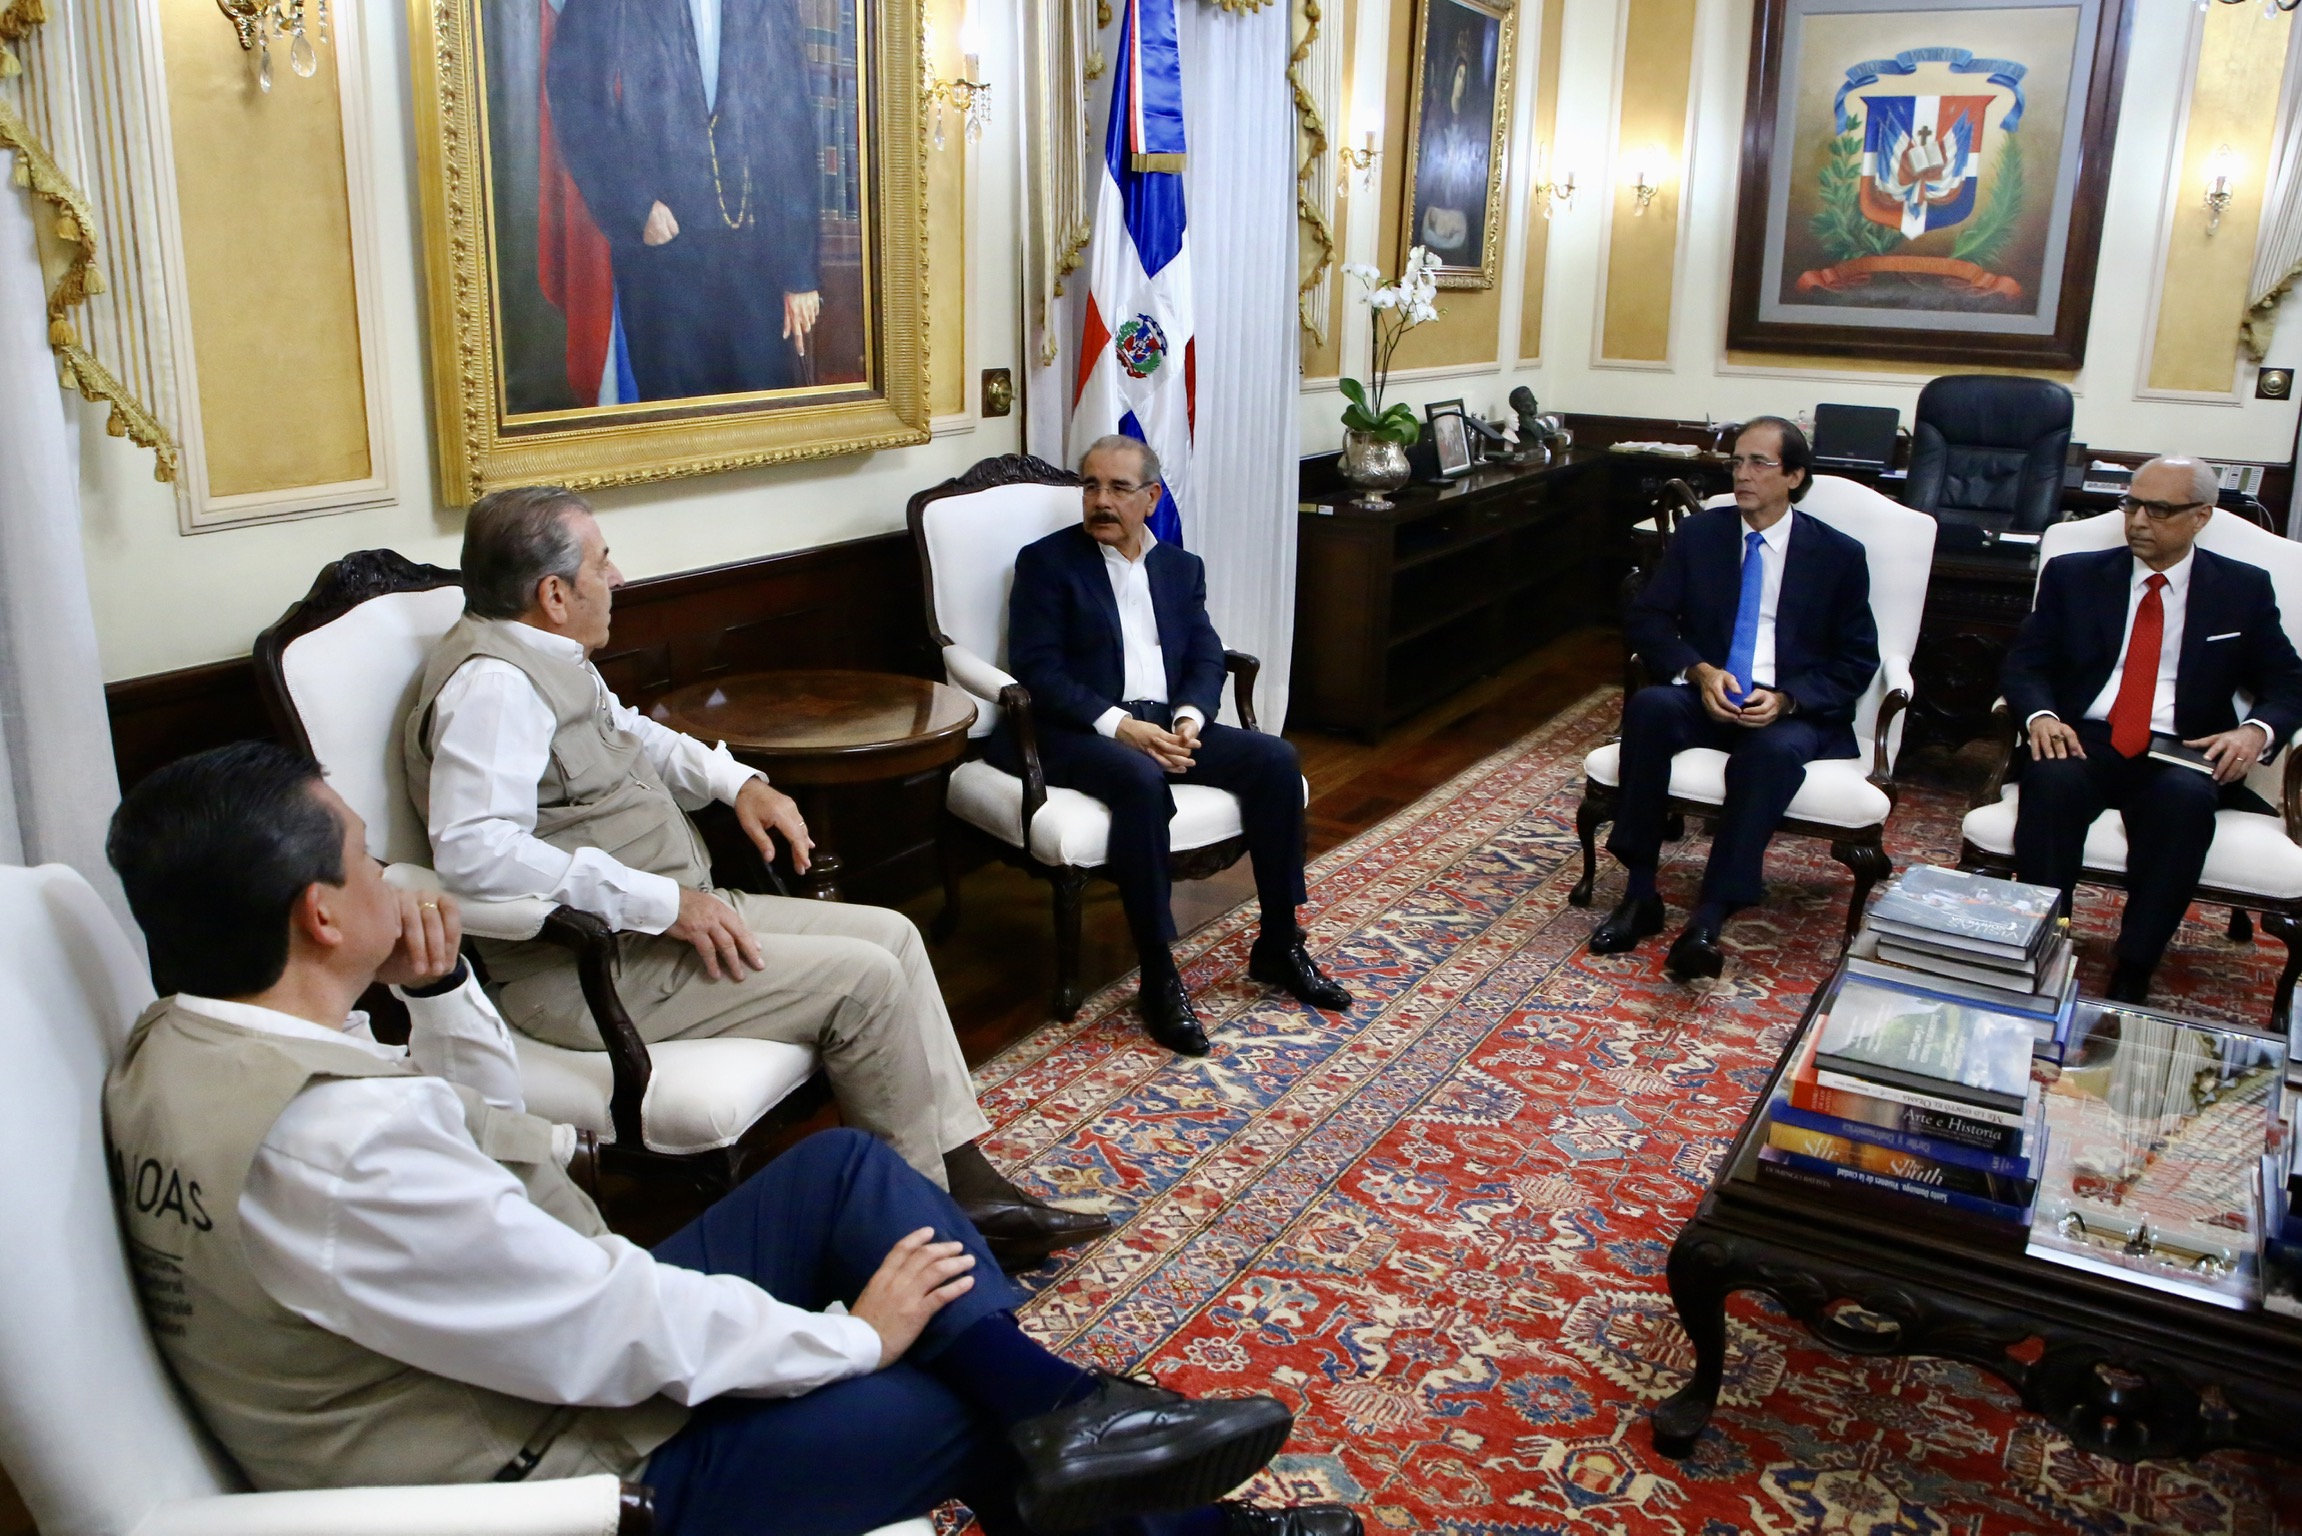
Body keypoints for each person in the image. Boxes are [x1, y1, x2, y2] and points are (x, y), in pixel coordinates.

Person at [101, 742, 1358, 1536]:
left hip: (492, 1369)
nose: (397, 876)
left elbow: (488, 1146)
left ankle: (1079, 1419)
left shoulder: (187, 1047)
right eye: (370, 860)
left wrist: (437, 996)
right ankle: (1132, 1479)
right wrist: (855, 1337)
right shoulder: (335, 1145)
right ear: (322, 917)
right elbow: (603, 1329)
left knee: (844, 1169)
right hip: (545, 1476)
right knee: (948, 1399)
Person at [406, 486, 1106, 1270]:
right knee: (865, 983)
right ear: (554, 594)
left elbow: (632, 734)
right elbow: (475, 851)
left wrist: (738, 783)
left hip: (669, 921)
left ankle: (964, 1184)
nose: (620, 577)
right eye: (603, 563)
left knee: (896, 937)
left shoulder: (548, 656)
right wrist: (665, 902)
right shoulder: (493, 689)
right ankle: (917, 1242)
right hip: (590, 968)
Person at [998, 437, 1350, 1057]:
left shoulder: (1181, 568)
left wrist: (1189, 719)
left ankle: (1279, 941)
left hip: (1166, 724)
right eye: (1090, 486)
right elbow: (1039, 670)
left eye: (1118, 488)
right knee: (1139, 780)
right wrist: (1120, 726)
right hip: (1075, 731)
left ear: (1152, 497)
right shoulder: (1047, 563)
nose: (1101, 501)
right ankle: (1158, 973)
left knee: (1275, 760)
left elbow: (1207, 656)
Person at [2003, 455, 2302, 1002]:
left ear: (2201, 516)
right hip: (2086, 735)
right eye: (2132, 504)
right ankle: (2047, 938)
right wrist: (2041, 715)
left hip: (2183, 748)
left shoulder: (2241, 589)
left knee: (2183, 802)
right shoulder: (2074, 576)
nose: (2138, 521)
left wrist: (2255, 732)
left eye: (2159, 510)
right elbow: (2026, 665)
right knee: (2051, 780)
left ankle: (2135, 964)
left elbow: (2289, 683)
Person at [1589, 417, 1880, 980]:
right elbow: (1649, 618)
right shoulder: (1702, 535)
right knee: (1649, 709)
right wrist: (1700, 672)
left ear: (1794, 476)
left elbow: (1856, 660)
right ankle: (1640, 894)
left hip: (1789, 709)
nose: (1742, 475)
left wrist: (1788, 700)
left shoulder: (1838, 555)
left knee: (1767, 756)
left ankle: (1708, 920)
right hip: (1711, 693)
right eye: (1737, 462)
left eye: (1758, 463)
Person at [544, 0, 823, 400]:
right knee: (679, 421)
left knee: (763, 418)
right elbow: (574, 93)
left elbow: (792, 118)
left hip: (758, 255)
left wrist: (799, 271)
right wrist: (634, 206)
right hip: (663, 258)